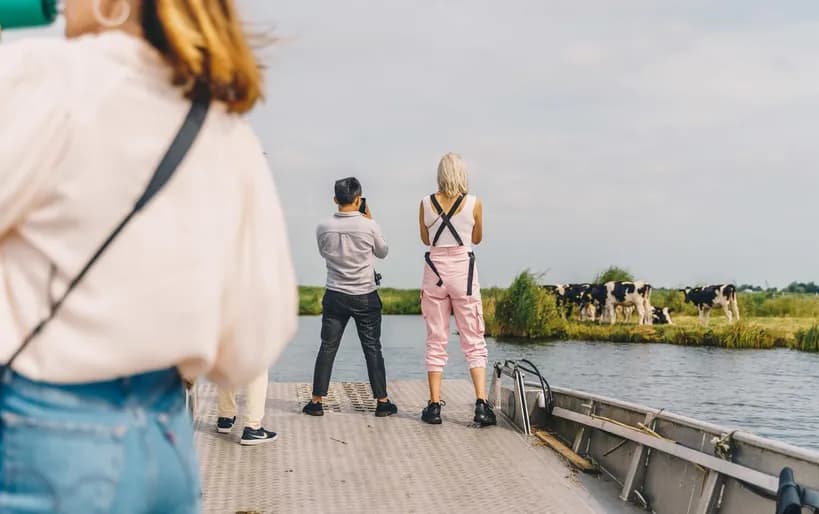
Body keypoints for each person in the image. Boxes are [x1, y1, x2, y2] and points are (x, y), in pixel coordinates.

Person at [0, 1, 297, 512]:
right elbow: (253, 343)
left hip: (43, 437)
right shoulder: (227, 128)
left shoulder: (45, 77)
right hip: (164, 444)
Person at [303, 178, 398, 417]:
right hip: (365, 295)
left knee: (327, 347)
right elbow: (383, 251)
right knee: (372, 348)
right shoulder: (369, 226)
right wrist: (369, 218)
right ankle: (382, 401)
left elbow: (324, 252)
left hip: (335, 294)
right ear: (358, 200)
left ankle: (316, 402)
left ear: (335, 199)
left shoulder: (323, 227)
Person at [418, 153, 496, 426]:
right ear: (462, 174)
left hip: (435, 273)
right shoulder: (474, 203)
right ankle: (481, 404)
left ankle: (434, 405)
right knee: (474, 338)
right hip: (464, 273)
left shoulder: (425, 203)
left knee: (436, 339)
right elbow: (476, 238)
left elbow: (426, 238)